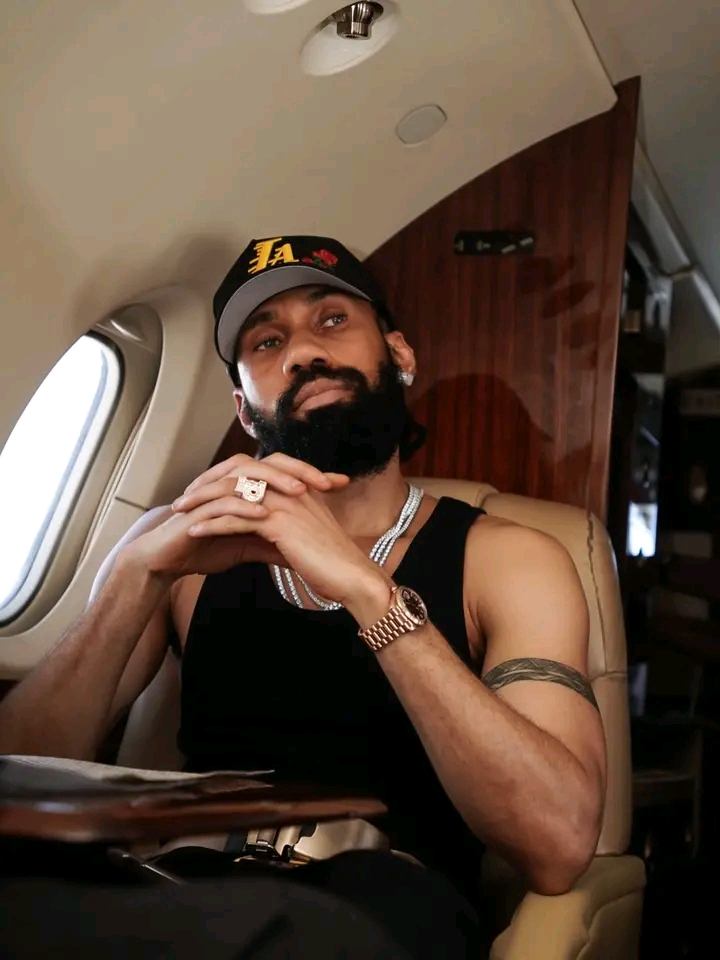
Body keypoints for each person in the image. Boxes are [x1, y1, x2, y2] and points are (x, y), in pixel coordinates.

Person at [0, 235, 606, 958]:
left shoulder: (511, 560)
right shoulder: (176, 549)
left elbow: (556, 843)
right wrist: (134, 578)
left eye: (331, 320)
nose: (302, 353)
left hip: (373, 908)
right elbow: (17, 783)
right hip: (169, 890)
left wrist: (368, 592)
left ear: (399, 355)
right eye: (267, 341)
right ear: (244, 408)